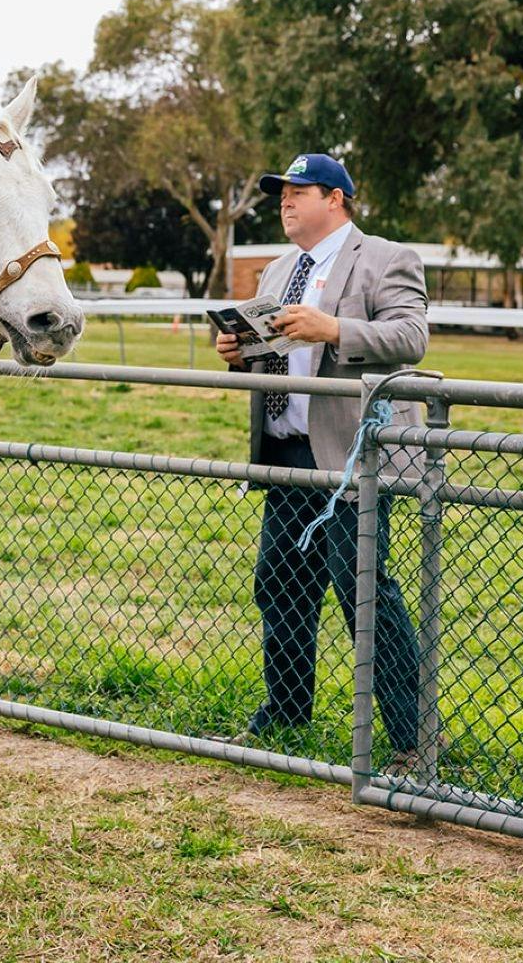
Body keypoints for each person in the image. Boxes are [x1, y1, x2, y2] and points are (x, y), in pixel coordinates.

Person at [213, 153, 428, 773]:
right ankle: (285, 712)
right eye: (279, 192)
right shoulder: (279, 268)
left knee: (363, 592)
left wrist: (333, 327)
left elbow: (411, 337)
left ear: (335, 199)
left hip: (351, 455)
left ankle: (413, 740)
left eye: (297, 191)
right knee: (278, 586)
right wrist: (239, 350)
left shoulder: (386, 258)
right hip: (287, 450)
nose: (284, 201)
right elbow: (274, 351)